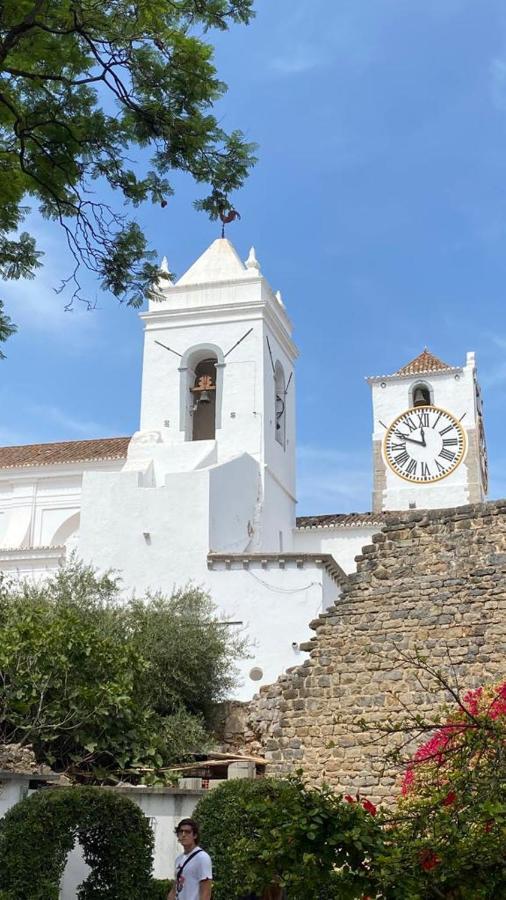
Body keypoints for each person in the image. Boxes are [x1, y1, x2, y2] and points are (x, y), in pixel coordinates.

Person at [167, 817, 212, 900]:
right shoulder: (179, 859)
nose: (183, 835)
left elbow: (206, 893)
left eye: (187, 832)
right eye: (181, 832)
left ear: (195, 835)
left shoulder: (202, 858)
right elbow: (174, 889)